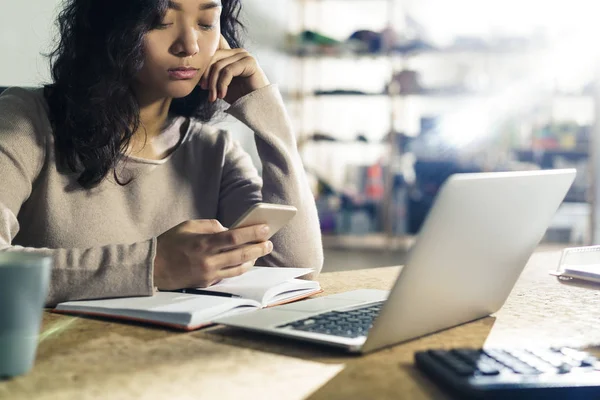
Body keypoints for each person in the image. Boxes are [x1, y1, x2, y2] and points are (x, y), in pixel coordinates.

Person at [0, 0, 323, 306]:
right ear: (109, 27)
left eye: (206, 23)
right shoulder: (25, 119)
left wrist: (268, 116)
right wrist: (152, 266)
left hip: (175, 356)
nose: (190, 46)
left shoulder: (215, 150)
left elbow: (294, 268)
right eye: (160, 22)